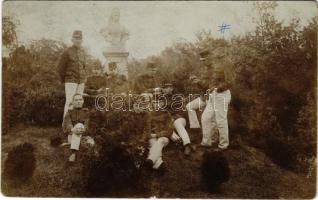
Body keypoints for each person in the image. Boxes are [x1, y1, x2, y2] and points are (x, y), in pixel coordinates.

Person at [201, 47, 232, 151]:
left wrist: (218, 88)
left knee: (221, 120)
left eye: (205, 59)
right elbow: (211, 82)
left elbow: (230, 81)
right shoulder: (212, 66)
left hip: (222, 94)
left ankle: (223, 145)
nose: (204, 61)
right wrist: (211, 89)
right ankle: (206, 142)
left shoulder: (225, 64)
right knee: (205, 118)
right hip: (213, 95)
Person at [58, 30, 88, 120]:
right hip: (71, 80)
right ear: (72, 39)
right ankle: (66, 126)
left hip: (81, 81)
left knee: (79, 102)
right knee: (70, 102)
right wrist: (65, 80)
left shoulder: (83, 52)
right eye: (76, 38)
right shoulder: (67, 52)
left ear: (82, 40)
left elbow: (84, 66)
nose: (77, 40)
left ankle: (77, 124)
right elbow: (60, 68)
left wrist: (84, 78)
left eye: (79, 38)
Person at [142, 97, 174, 174]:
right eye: (155, 102)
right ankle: (158, 164)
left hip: (163, 137)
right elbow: (146, 129)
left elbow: (170, 131)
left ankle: (150, 160)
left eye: (159, 102)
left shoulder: (166, 114)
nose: (157, 104)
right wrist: (143, 139)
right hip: (152, 137)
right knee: (153, 144)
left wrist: (157, 135)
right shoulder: (149, 114)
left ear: (163, 103)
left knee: (160, 141)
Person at [162, 83, 193, 156]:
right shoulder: (162, 98)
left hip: (179, 118)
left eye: (168, 88)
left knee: (177, 123)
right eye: (164, 88)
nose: (165, 89)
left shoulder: (177, 97)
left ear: (172, 89)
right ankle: (179, 142)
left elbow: (181, 111)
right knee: (166, 126)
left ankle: (187, 144)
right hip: (169, 120)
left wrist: (172, 116)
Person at [186, 49, 214, 129]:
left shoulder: (214, 69)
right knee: (189, 106)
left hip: (212, 97)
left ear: (209, 58)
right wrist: (196, 80)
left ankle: (213, 138)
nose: (203, 62)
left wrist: (199, 81)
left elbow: (210, 85)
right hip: (204, 97)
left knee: (210, 120)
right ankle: (195, 127)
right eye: (202, 60)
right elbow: (203, 85)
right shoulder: (205, 69)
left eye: (204, 60)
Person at [62, 93, 95, 162]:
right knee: (79, 126)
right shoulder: (69, 113)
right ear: (73, 102)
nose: (78, 101)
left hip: (83, 135)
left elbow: (87, 125)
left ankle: (74, 146)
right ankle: (73, 153)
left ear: (83, 101)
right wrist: (73, 129)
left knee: (91, 143)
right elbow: (67, 125)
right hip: (72, 135)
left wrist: (83, 130)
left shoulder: (86, 112)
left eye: (80, 100)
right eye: (76, 100)